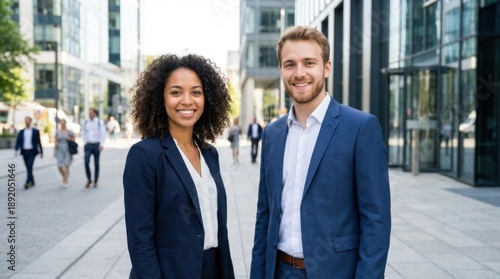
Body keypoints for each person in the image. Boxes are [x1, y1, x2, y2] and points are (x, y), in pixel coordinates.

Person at [250, 26, 391, 279]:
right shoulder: (272, 134)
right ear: (281, 70)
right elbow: (265, 214)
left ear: (326, 68)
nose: (299, 73)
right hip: (279, 270)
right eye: (290, 64)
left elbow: (376, 220)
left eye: (309, 63)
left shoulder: (360, 128)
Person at [123, 53, 235, 279]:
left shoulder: (209, 153)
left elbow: (217, 227)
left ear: (207, 98)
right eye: (176, 92)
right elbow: (140, 239)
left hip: (213, 269)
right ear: (160, 98)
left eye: (196, 92)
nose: (187, 100)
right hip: (169, 272)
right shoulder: (145, 155)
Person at [14, 116, 43, 189]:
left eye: (28, 120)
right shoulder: (21, 131)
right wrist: (16, 150)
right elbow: (18, 141)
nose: (27, 122)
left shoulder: (35, 131)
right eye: (26, 121)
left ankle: (27, 182)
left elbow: (39, 142)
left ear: (30, 121)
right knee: (28, 167)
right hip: (24, 151)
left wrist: (41, 152)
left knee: (30, 166)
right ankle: (32, 181)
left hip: (32, 152)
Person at [81, 108, 106, 188]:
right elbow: (83, 132)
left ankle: (95, 180)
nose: (89, 114)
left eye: (91, 113)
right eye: (89, 113)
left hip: (96, 145)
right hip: (88, 145)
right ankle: (89, 179)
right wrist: (84, 142)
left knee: (96, 163)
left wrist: (101, 144)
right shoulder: (86, 122)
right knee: (86, 161)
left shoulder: (99, 122)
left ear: (95, 113)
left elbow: (103, 133)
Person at [53, 119, 75, 188]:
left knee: (66, 165)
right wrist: (54, 150)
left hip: (67, 149)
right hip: (60, 149)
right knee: (59, 166)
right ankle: (64, 177)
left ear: (65, 123)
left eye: (63, 123)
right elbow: (56, 141)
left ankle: (65, 181)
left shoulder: (69, 131)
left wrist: (70, 139)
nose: (62, 124)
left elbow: (74, 139)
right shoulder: (57, 132)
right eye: (61, 123)